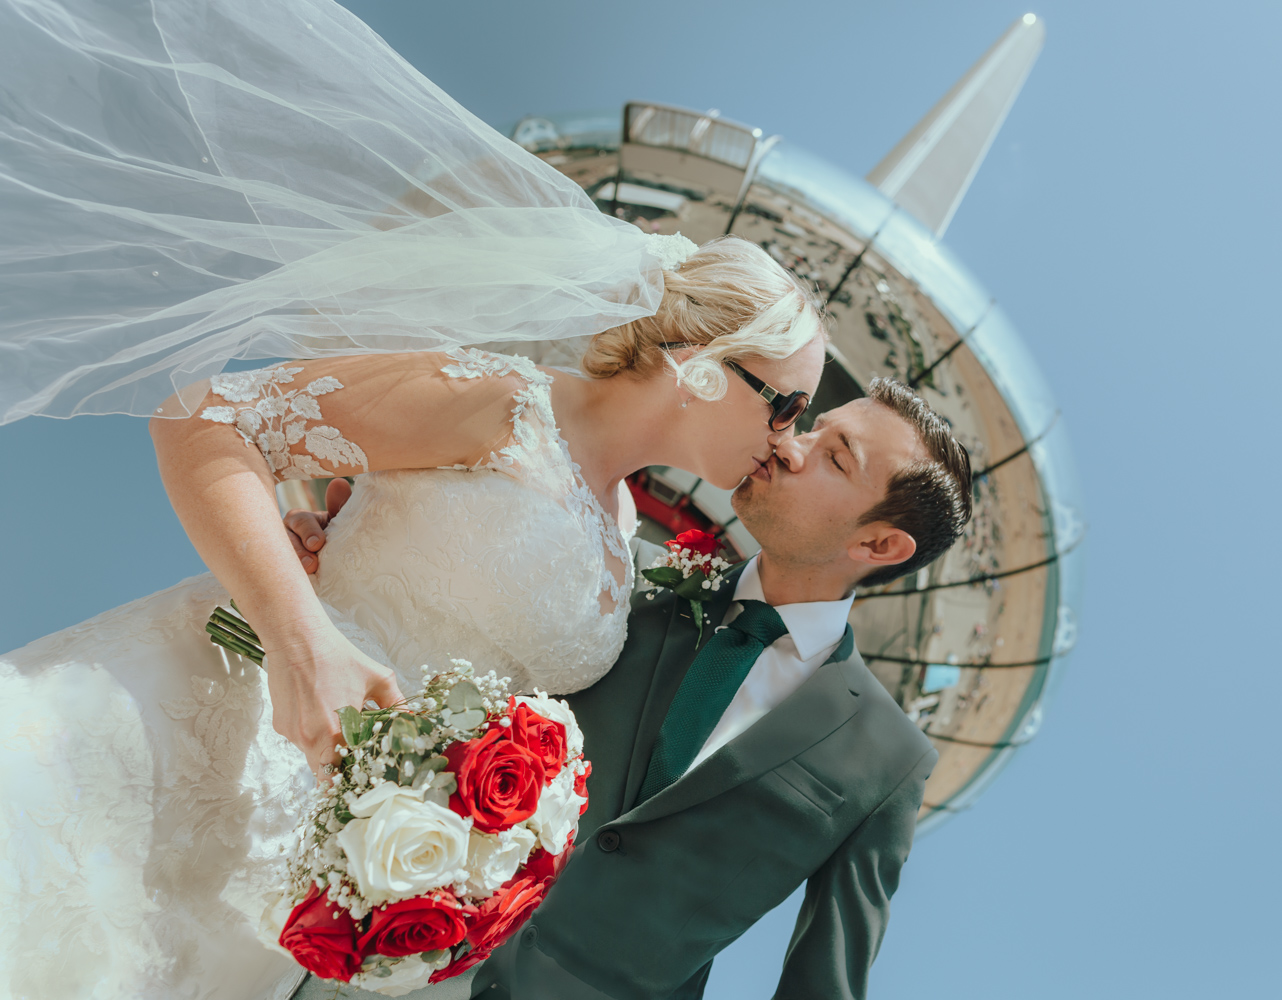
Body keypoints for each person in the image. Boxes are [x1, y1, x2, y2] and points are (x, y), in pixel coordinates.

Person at [0, 1, 828, 996]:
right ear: (703, 367)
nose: (787, 441)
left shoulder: (624, 543)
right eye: (785, 405)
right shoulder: (498, 401)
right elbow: (202, 417)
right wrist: (303, 632)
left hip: (300, 860)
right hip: (202, 709)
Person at [283, 379, 974, 1000]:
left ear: (880, 546)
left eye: (835, 457)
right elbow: (441, 661)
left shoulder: (888, 758)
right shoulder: (616, 573)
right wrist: (350, 553)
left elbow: (826, 981)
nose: (792, 445)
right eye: (814, 427)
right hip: (397, 961)